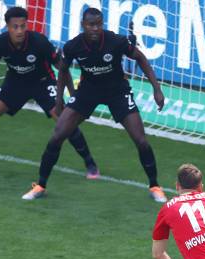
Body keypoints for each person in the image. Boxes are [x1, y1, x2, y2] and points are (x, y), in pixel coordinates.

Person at [22, 8, 167, 202]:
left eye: (99, 24)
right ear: (84, 25)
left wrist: (156, 89)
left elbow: (140, 57)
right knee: (58, 135)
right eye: (91, 24)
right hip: (88, 91)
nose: (95, 28)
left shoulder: (115, 41)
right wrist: (60, 101)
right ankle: (40, 185)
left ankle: (155, 186)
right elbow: (63, 71)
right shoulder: (73, 46)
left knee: (141, 140)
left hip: (117, 91)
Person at [0, 7, 99, 180]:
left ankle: (90, 164)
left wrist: (73, 94)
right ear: (7, 27)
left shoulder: (39, 42)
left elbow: (62, 68)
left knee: (64, 122)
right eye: (15, 27)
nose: (20, 31)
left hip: (42, 82)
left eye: (23, 26)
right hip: (15, 83)